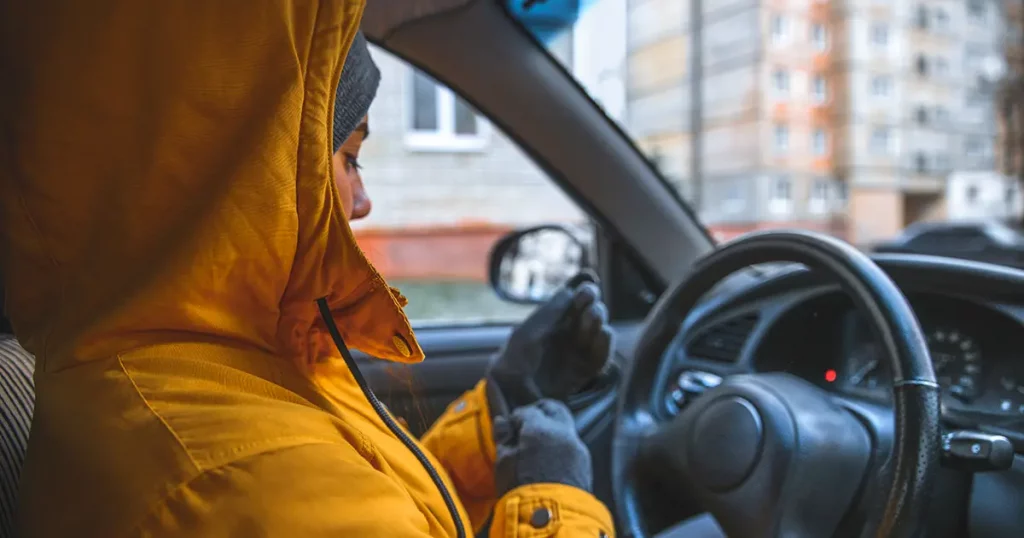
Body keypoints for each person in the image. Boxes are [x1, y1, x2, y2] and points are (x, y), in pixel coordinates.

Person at [1, 4, 616, 538]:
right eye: (351, 157)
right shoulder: (235, 481)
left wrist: (500, 411)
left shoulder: (187, 390)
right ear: (240, 176)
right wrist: (553, 501)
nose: (363, 199)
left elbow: (362, 509)